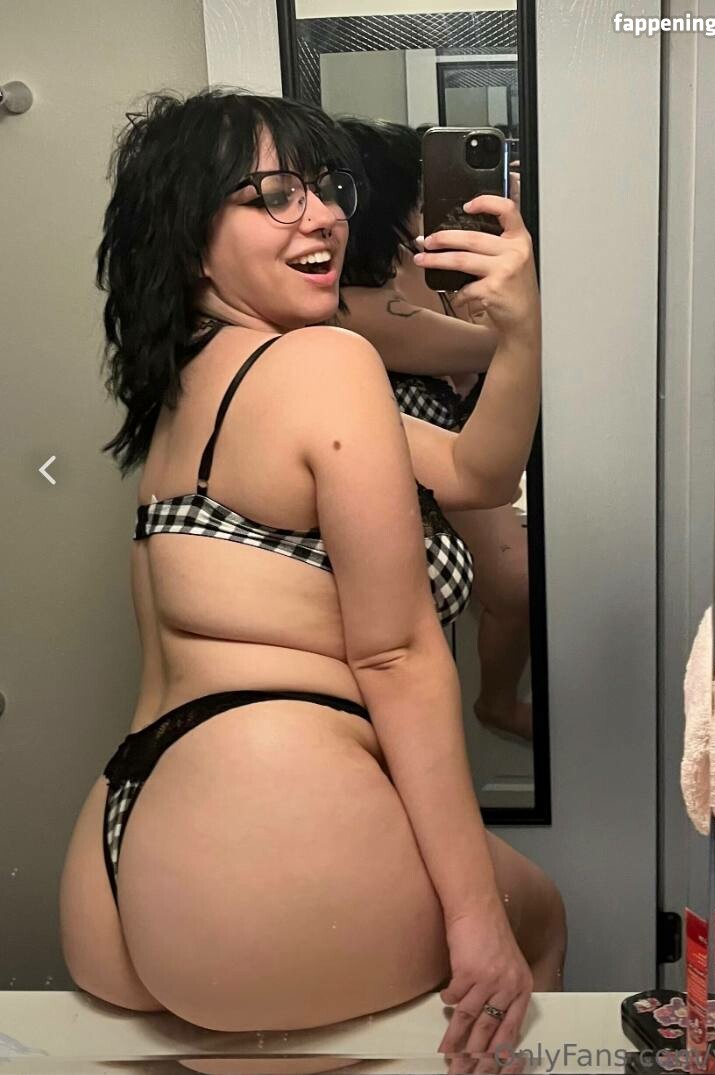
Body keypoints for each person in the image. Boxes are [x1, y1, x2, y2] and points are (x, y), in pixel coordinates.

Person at [58, 89, 564, 1075]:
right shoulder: (324, 364)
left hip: (125, 855)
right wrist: (476, 920)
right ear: (191, 240)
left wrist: (520, 332)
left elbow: (475, 473)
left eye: (326, 189)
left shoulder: (192, 385)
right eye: (273, 196)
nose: (324, 215)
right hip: (268, 855)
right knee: (534, 921)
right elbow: (396, 654)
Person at [337, 117, 533, 740]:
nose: (427, 209)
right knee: (516, 585)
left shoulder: (399, 268)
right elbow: (487, 347)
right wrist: (519, 310)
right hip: (426, 457)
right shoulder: (353, 306)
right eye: (418, 195)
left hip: (445, 441)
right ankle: (496, 704)